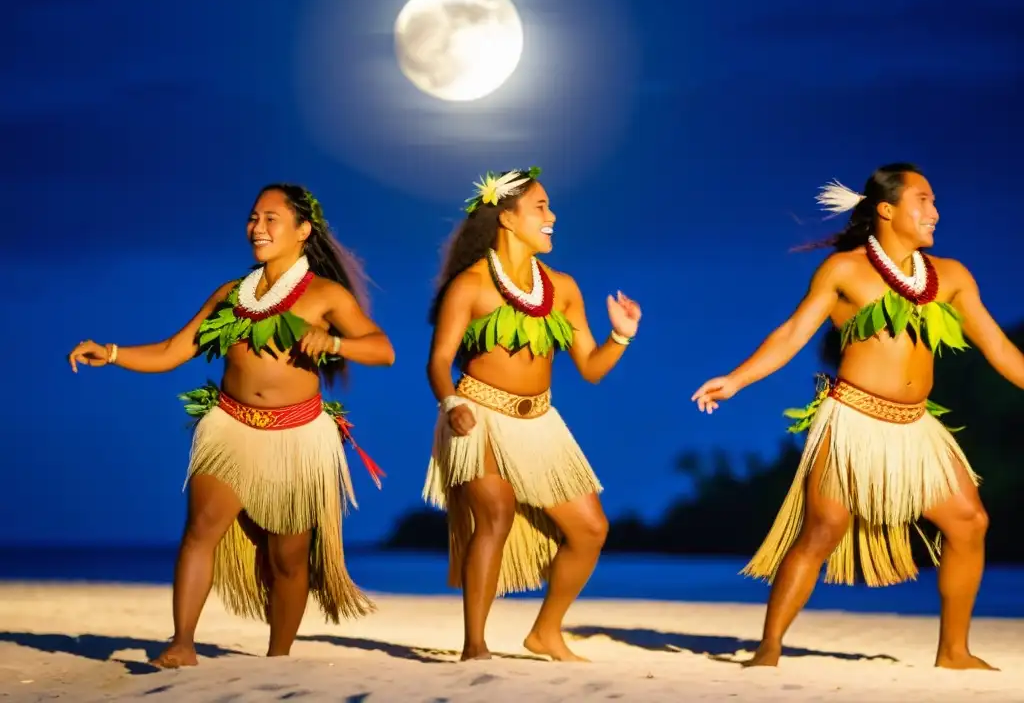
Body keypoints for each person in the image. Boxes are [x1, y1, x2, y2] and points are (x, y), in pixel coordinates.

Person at [691, 163, 1024, 670]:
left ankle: (954, 651)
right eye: (924, 200)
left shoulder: (951, 277)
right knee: (822, 530)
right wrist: (736, 380)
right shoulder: (845, 271)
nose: (935, 211)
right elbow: (790, 334)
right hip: (852, 421)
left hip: (916, 427)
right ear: (887, 209)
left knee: (969, 521)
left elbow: (999, 347)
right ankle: (769, 647)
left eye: (934, 202)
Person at [67, 183, 395, 668]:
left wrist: (333, 342)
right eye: (252, 218)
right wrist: (112, 353)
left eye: (270, 219)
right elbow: (172, 350)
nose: (257, 228)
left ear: (303, 231)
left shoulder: (326, 295)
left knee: (287, 557)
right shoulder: (230, 295)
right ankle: (181, 643)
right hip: (230, 426)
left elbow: (382, 349)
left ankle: (278, 657)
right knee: (200, 529)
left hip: (297, 437)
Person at [423, 167, 641, 662]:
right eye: (540, 207)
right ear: (507, 217)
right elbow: (438, 361)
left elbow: (591, 368)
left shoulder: (561, 288)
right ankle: (475, 644)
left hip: (541, 422)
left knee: (591, 529)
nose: (552, 216)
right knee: (494, 517)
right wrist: (452, 403)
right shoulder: (471, 286)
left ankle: (545, 632)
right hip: (478, 414)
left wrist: (621, 335)